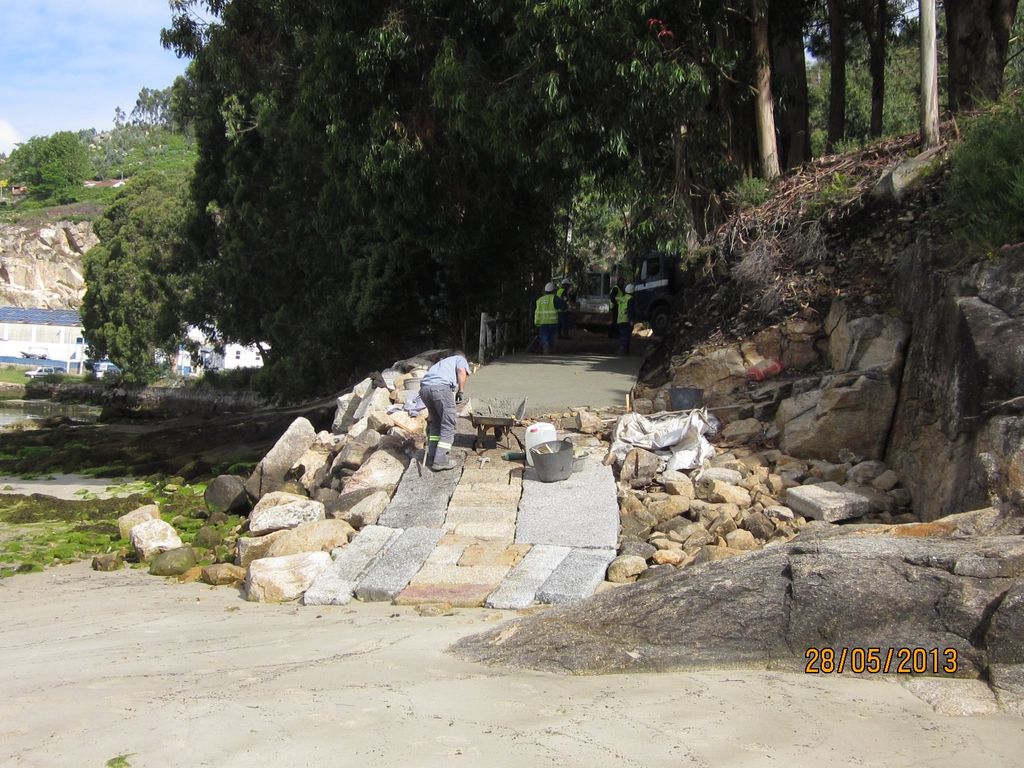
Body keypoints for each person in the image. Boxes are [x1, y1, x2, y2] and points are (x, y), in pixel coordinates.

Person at [418, 352, 470, 471]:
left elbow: (429, 385)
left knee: (436, 423)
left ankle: (433, 456)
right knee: (449, 425)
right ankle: (440, 461)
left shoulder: (441, 364)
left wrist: (431, 415)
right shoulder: (460, 359)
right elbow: (461, 371)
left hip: (424, 390)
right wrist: (461, 391)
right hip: (440, 388)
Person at [535, 281, 564, 355]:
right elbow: (562, 306)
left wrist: (536, 322)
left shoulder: (539, 300)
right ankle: (550, 347)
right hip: (553, 322)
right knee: (551, 335)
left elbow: (537, 312)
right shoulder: (555, 298)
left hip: (543, 322)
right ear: (554, 290)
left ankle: (546, 346)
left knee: (544, 335)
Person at [616, 283, 636, 355]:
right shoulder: (630, 299)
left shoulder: (623, 298)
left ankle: (625, 351)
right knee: (626, 335)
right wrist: (631, 321)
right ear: (633, 292)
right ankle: (623, 351)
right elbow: (631, 311)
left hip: (620, 320)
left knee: (623, 335)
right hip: (626, 320)